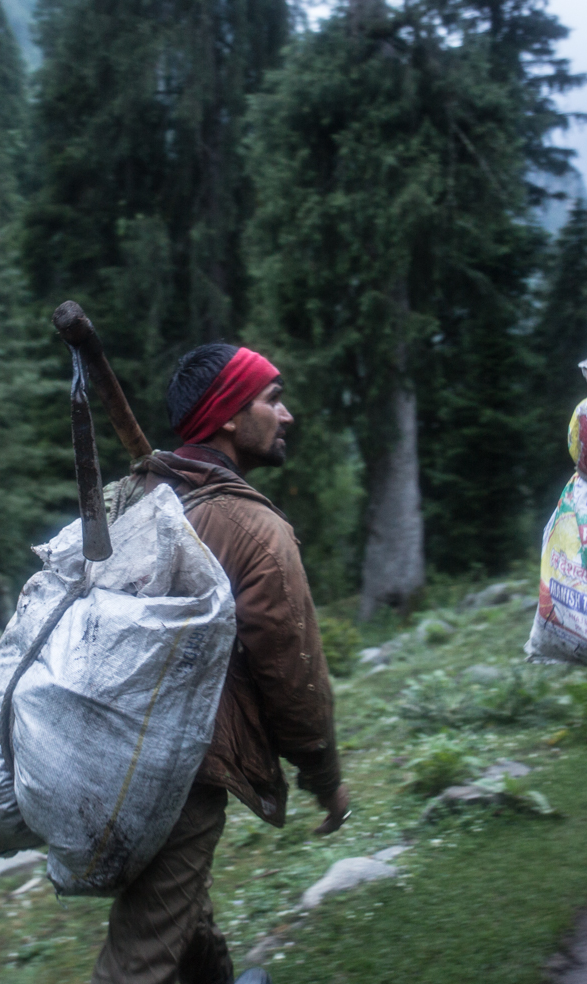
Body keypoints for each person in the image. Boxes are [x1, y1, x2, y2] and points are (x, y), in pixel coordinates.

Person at [94, 343, 349, 984]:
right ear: (230, 417)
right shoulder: (253, 528)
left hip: (103, 746)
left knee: (175, 904)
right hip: (183, 766)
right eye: (272, 398)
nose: (286, 415)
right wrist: (325, 775)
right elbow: (293, 672)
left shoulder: (129, 496)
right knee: (140, 956)